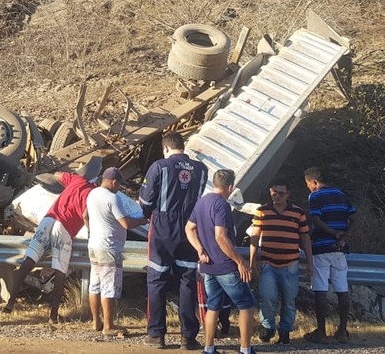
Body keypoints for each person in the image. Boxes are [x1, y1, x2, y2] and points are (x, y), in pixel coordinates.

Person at [138, 131, 208, 350]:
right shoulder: (201, 169)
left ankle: (156, 335)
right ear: (183, 147)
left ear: (165, 148)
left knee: (157, 280)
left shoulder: (159, 166)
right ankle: (188, 336)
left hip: (163, 227)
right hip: (190, 228)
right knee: (187, 281)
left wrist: (152, 216)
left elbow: (145, 201)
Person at [4, 171, 95, 323]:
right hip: (64, 227)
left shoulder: (77, 180)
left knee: (29, 260)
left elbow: (58, 175)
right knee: (60, 271)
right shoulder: (93, 195)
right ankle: (53, 315)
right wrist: (91, 230)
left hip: (48, 219)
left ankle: (10, 302)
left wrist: (66, 185)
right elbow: (85, 215)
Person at [186, 169, 257, 354]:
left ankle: (209, 348)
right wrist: (240, 261)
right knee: (246, 304)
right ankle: (245, 348)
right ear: (231, 187)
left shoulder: (202, 202)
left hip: (207, 266)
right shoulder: (222, 206)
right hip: (224, 265)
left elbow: (189, 228)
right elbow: (221, 237)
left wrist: (199, 248)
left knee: (213, 306)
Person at [249, 183, 313, 345]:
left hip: (290, 263)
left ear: (288, 194)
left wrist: (310, 263)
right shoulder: (262, 211)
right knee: (267, 297)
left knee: (289, 300)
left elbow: (305, 238)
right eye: (274, 193)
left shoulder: (298, 212)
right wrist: (252, 261)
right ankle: (268, 327)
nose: (277, 197)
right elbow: (255, 237)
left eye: (281, 194)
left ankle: (285, 331)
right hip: (268, 262)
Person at [86, 167, 146, 336]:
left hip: (94, 244)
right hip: (109, 247)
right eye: (119, 184)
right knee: (108, 288)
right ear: (113, 182)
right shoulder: (113, 198)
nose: (119, 187)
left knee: (95, 285)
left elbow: (85, 215)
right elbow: (125, 223)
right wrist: (142, 220)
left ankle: (96, 321)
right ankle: (108, 326)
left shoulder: (92, 194)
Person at [304, 166, 357, 344]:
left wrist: (333, 233)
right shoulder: (342, 194)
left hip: (322, 248)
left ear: (315, 182)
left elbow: (316, 220)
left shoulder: (315, 196)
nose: (309, 188)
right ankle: (342, 330)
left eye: (308, 184)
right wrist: (345, 234)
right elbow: (354, 218)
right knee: (342, 289)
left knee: (320, 289)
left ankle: (321, 332)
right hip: (340, 249)